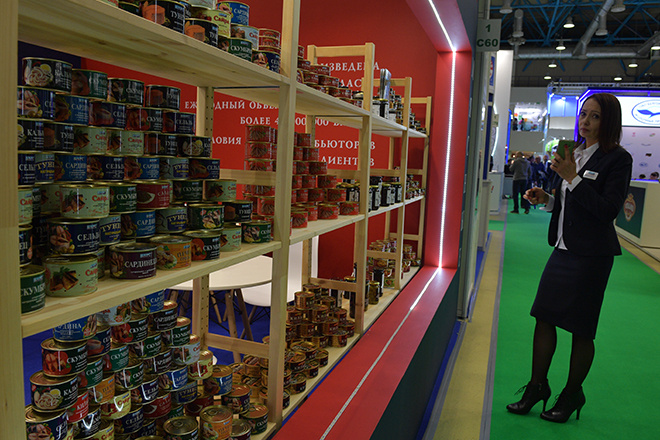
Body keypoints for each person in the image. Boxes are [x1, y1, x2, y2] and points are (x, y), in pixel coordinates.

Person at [507, 93, 632, 423]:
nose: (585, 121)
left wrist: (572, 178)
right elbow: (568, 204)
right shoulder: (572, 152)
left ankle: (572, 393)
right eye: (583, 114)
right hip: (562, 251)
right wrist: (546, 199)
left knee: (581, 329)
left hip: (592, 256)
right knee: (543, 317)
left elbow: (606, 210)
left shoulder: (618, 159)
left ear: (608, 122)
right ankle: (537, 387)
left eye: (595, 116)